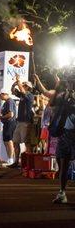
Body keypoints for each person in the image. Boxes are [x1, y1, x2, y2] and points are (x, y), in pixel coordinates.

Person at [49, 70, 75, 204]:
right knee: (61, 161)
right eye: (69, 82)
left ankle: (62, 191)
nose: (70, 84)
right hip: (65, 132)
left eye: (72, 81)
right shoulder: (64, 95)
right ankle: (62, 192)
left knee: (65, 162)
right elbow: (52, 102)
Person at [12, 75, 35, 156]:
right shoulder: (22, 94)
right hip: (19, 121)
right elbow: (13, 91)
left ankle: (29, 163)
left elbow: (21, 90)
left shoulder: (30, 95)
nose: (23, 86)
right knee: (15, 142)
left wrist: (18, 81)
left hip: (26, 122)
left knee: (26, 142)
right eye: (23, 85)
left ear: (28, 87)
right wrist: (15, 84)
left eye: (24, 85)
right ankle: (16, 161)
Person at [0, 88, 18, 167]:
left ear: (4, 94)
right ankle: (9, 159)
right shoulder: (7, 102)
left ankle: (11, 159)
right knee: (6, 141)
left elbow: (11, 114)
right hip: (7, 123)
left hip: (10, 123)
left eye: (0, 95)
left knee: (9, 141)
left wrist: (2, 117)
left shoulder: (9, 101)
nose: (0, 96)